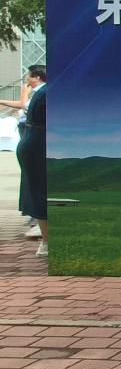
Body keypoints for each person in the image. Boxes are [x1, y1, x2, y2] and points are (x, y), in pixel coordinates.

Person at [16, 65, 47, 257]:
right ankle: (46, 239)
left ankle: (45, 237)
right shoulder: (44, 93)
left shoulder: (42, 92)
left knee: (38, 190)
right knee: (39, 190)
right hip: (36, 144)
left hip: (34, 142)